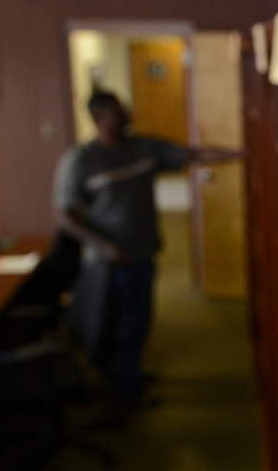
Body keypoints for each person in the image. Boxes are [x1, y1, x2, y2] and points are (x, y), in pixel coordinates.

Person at [52, 90, 236, 407]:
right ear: (99, 119)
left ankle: (130, 374)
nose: (126, 115)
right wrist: (105, 246)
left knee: (139, 319)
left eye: (123, 109)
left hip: (142, 253)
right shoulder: (81, 160)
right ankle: (121, 386)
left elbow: (193, 154)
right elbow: (64, 216)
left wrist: (243, 154)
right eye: (116, 112)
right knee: (115, 323)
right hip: (109, 262)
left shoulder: (142, 148)